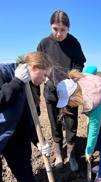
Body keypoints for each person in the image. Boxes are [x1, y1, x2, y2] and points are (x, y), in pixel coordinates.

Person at [0, 52, 52, 182]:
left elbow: (31, 118)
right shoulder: (3, 73)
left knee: (22, 162)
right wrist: (15, 83)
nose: (45, 80)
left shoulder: (30, 86)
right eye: (44, 75)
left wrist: (39, 141)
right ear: (34, 67)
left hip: (14, 133)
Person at [37, 10, 86, 171]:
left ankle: (71, 156)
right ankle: (59, 155)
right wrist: (44, 77)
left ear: (68, 28)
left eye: (62, 30)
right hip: (51, 91)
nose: (59, 33)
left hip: (70, 92)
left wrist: (73, 78)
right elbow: (39, 65)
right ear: (50, 27)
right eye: (55, 29)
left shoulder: (74, 43)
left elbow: (79, 63)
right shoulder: (44, 44)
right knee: (55, 124)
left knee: (71, 124)